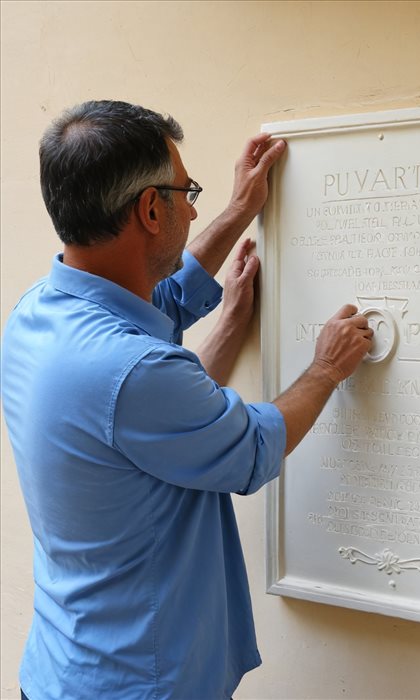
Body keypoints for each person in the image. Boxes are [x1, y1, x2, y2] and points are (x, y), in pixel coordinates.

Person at [1, 100, 373, 700]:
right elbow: (253, 447)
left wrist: (238, 212)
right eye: (187, 191)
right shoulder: (135, 371)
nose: (194, 207)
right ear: (151, 208)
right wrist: (327, 367)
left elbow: (153, 319)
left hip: (63, 669)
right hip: (139, 685)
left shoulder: (36, 313)